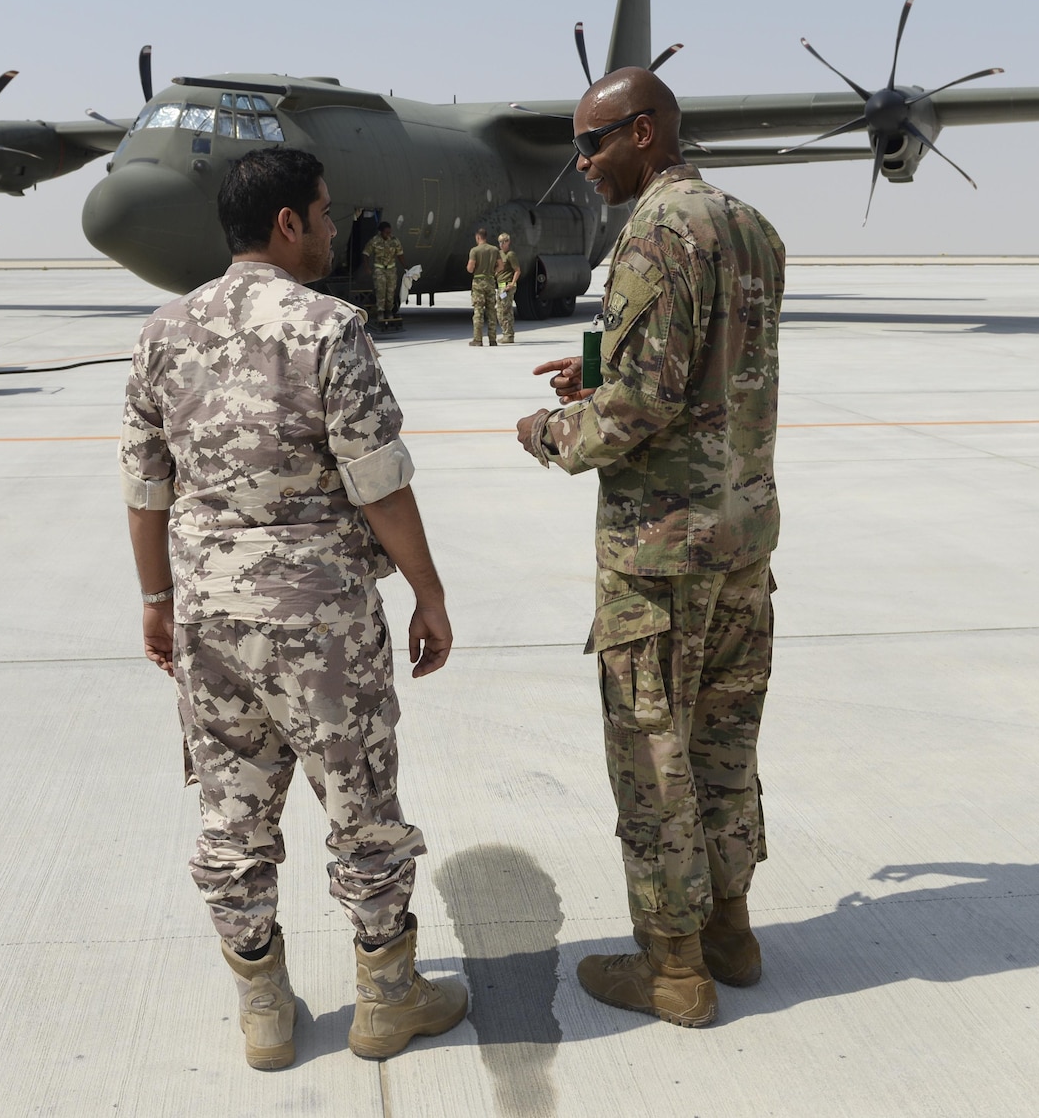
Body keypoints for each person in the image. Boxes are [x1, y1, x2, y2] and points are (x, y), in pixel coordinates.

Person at [120, 146, 467, 1070]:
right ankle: (387, 999)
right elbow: (379, 482)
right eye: (322, 211)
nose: (329, 225)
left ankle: (264, 1012)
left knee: (233, 816)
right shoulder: (330, 328)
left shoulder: (163, 331)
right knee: (362, 808)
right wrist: (428, 592)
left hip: (208, 617)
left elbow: (145, 487)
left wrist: (156, 601)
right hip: (320, 622)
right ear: (288, 224)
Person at [514, 68, 785, 1029]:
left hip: (660, 551)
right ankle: (733, 931)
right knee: (724, 739)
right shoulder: (749, 225)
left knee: (653, 750)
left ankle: (673, 966)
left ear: (643, 132)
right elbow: (710, 365)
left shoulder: (655, 232)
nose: (580, 164)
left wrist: (552, 431)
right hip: (741, 537)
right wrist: (596, 369)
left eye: (592, 144)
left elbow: (646, 403)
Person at [465, 228, 501, 346]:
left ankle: (478, 339)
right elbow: (501, 266)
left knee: (478, 311)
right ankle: (492, 339)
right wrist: (493, 272)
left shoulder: (474, 250)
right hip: (490, 281)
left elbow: (470, 268)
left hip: (478, 282)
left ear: (478, 237)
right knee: (491, 310)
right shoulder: (494, 250)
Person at [366, 221, 405, 327]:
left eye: (389, 232)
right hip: (379, 269)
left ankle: (389, 311)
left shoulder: (394, 241)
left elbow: (400, 254)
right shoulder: (375, 241)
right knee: (380, 291)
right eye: (386, 232)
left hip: (391, 269)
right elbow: (366, 253)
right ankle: (380, 312)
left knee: (390, 291)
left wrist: (405, 267)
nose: (388, 234)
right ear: (381, 232)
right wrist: (367, 267)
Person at [495, 232, 521, 343]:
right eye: (500, 242)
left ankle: (509, 335)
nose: (501, 244)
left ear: (508, 242)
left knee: (506, 309)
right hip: (501, 286)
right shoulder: (499, 254)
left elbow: (517, 270)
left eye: (504, 242)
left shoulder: (510, 255)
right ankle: (505, 333)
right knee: (500, 310)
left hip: (507, 286)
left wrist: (512, 283)